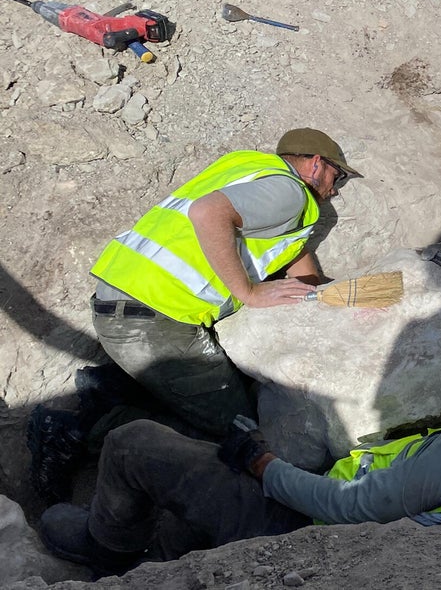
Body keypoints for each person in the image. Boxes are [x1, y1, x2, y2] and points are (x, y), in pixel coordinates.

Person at [37, 363, 441, 578]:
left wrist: (260, 463)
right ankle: (167, 546)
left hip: (294, 526)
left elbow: (344, 507)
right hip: (320, 517)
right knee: (187, 510)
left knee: (134, 442)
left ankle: (110, 551)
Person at [28, 128, 361, 502]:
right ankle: (76, 432)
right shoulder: (289, 192)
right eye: (339, 176)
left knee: (216, 385)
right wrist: (248, 292)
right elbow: (209, 214)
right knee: (238, 434)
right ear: (316, 164)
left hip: (128, 298)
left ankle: (114, 388)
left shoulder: (249, 171)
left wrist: (322, 298)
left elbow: (294, 257)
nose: (336, 188)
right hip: (152, 317)